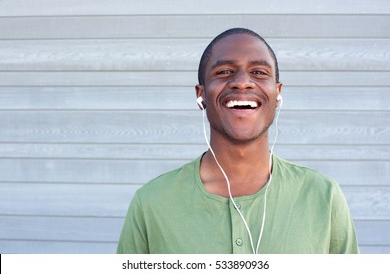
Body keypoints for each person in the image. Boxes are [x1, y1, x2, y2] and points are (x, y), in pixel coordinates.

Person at [117, 28, 359, 254]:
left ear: (278, 94)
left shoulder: (323, 196)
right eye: (224, 72)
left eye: (259, 72)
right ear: (201, 95)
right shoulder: (152, 202)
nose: (242, 82)